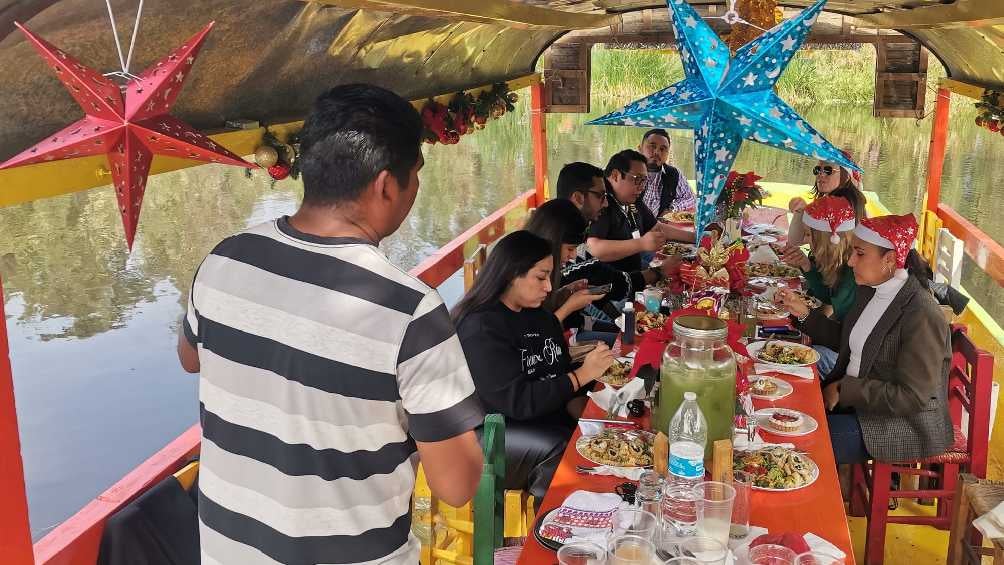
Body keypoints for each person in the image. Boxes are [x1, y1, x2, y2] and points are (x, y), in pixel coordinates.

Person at [177, 84, 485, 565]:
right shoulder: (410, 310)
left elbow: (189, 356)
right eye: (416, 175)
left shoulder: (224, 259)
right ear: (386, 184)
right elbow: (457, 484)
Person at [453, 231, 616, 502]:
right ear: (510, 275)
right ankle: (547, 527)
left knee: (591, 438)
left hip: (534, 418)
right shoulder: (480, 327)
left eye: (549, 277)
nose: (549, 288)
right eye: (540, 277)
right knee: (558, 447)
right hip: (487, 432)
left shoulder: (541, 319)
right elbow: (515, 401)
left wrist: (593, 418)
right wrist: (581, 375)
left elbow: (560, 379)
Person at [778, 214, 953, 465]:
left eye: (859, 254)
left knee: (798, 446)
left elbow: (912, 397)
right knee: (783, 408)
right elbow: (848, 341)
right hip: (858, 403)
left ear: (890, 260)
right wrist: (804, 314)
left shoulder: (922, 314)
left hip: (898, 424)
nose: (850, 261)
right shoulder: (870, 290)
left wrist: (843, 389)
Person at [779, 196, 858, 375]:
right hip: (844, 345)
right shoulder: (841, 261)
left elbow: (843, 341)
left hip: (853, 361)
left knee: (796, 358)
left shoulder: (854, 272)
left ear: (828, 239)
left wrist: (805, 315)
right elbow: (829, 296)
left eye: (808, 235)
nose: (806, 240)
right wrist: (807, 266)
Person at [587, 150, 693, 273]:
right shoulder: (601, 201)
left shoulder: (630, 198)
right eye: (638, 179)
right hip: (611, 279)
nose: (642, 187)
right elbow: (595, 248)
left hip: (634, 266)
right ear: (615, 175)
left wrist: (696, 237)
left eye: (644, 181)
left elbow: (656, 227)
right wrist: (641, 244)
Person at [788, 151, 867, 244]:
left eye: (828, 170)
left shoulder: (840, 207)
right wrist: (800, 212)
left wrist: (801, 213)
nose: (820, 174)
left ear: (846, 177)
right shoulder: (854, 201)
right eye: (817, 170)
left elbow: (797, 241)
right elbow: (799, 240)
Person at [638, 128, 696, 218]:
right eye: (652, 146)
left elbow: (691, 198)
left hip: (659, 228)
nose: (657, 152)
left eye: (662, 149)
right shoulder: (627, 171)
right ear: (640, 148)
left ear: (667, 154)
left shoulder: (673, 174)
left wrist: (672, 209)